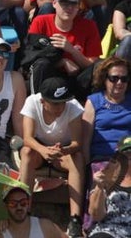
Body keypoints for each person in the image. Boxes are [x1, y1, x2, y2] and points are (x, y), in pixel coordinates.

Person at [19, 76, 86, 230]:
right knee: (26, 152)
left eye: (63, 102)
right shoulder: (32, 102)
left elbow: (77, 143)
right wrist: (43, 150)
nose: (60, 107)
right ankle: (25, 210)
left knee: (78, 158)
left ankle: (75, 218)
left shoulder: (73, 107)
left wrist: (64, 150)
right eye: (55, 103)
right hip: (38, 149)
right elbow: (27, 138)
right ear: (43, 101)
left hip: (62, 152)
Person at [82, 57, 131, 166]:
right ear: (104, 78)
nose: (119, 82)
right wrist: (87, 166)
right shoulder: (93, 101)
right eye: (114, 78)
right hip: (101, 159)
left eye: (124, 79)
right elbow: (85, 141)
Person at [88, 142, 131, 238]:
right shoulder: (105, 176)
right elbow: (96, 215)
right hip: (107, 230)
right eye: (126, 155)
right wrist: (99, 187)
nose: (129, 159)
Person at [0, 184, 66, 238]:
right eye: (13, 203)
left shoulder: (45, 227)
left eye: (23, 203)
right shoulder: (0, 235)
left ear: (28, 203)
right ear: (5, 206)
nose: (19, 207)